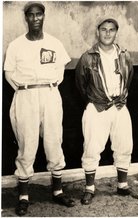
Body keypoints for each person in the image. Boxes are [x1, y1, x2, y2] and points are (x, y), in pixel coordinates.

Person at [4, 1, 75, 216]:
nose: (35, 18)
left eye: (39, 15)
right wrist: (25, 90)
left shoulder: (54, 42)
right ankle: (24, 197)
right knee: (27, 144)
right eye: (31, 15)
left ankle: (58, 191)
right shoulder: (16, 45)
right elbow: (9, 73)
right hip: (26, 96)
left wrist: (48, 88)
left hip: (50, 94)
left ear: (44, 17)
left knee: (54, 141)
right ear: (25, 18)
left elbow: (61, 68)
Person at [75, 17, 138, 205]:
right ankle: (89, 188)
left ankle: (122, 185)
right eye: (104, 29)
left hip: (119, 106)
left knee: (124, 145)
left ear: (116, 32)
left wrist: (120, 98)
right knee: (92, 148)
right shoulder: (88, 56)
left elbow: (128, 78)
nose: (107, 33)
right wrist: (94, 100)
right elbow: (80, 84)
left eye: (111, 30)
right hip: (97, 107)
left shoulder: (124, 55)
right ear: (98, 32)